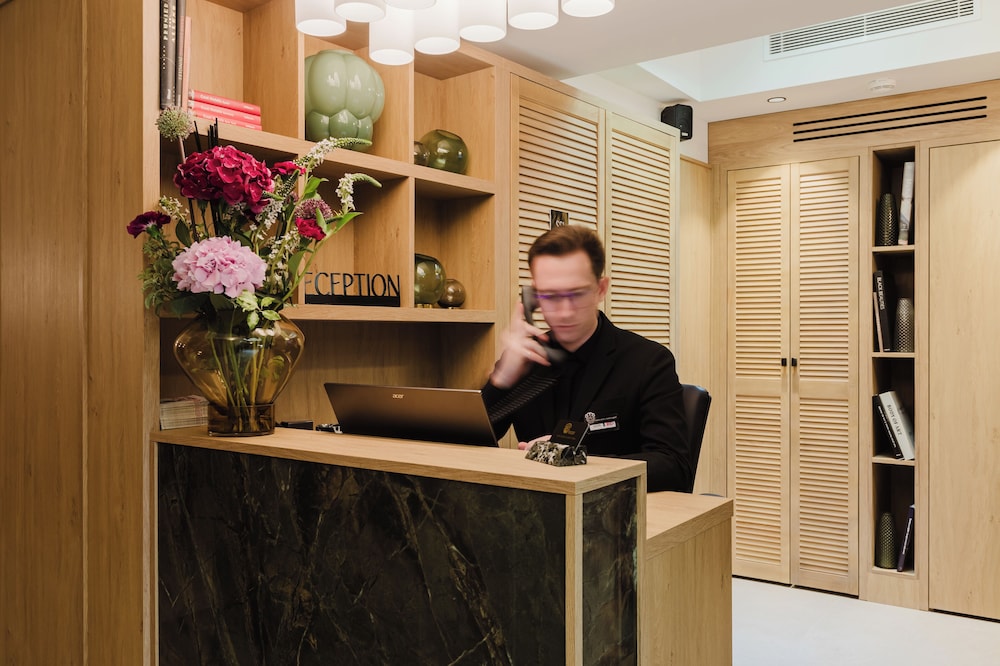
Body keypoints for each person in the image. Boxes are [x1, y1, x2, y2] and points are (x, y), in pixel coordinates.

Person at [482, 225, 693, 493]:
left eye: (576, 294)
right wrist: (501, 380)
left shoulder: (648, 361)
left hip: (616, 511)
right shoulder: (525, 360)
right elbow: (461, 449)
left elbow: (674, 468)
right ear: (533, 297)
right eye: (550, 296)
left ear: (600, 289)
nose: (564, 312)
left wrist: (577, 460)